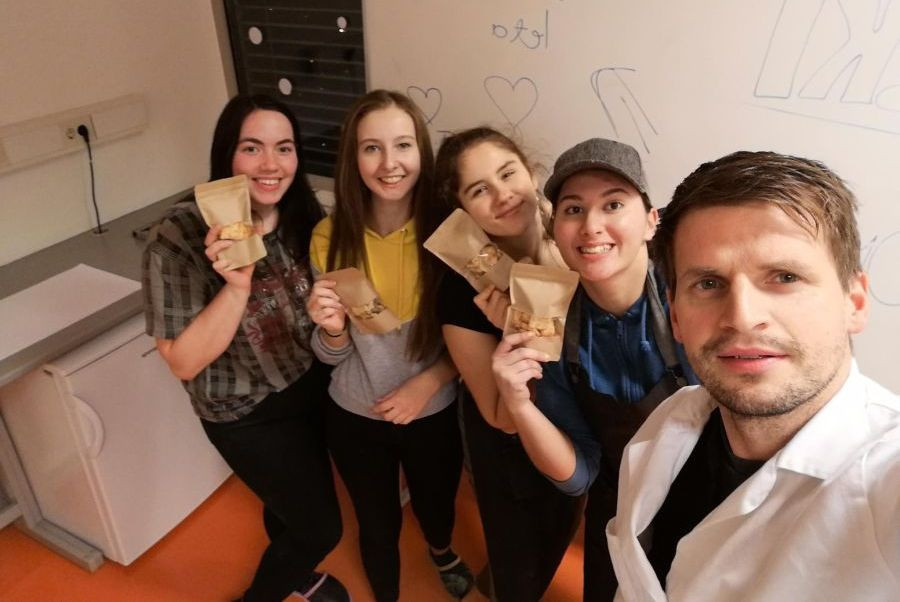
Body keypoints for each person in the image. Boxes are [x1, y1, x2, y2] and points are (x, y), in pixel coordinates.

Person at [606, 150, 900, 600]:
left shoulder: (884, 477)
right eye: (708, 283)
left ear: (854, 301)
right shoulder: (667, 423)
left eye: (784, 276)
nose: (742, 318)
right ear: (676, 318)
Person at [142, 94, 348, 602]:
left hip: (309, 383)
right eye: (252, 148)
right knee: (322, 529)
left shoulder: (304, 214)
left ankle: (298, 576)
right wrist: (236, 285)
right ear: (226, 156)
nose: (271, 165)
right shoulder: (180, 235)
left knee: (290, 502)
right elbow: (184, 360)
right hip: (243, 410)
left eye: (285, 148)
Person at [491, 138, 697, 600]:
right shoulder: (552, 326)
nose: (591, 226)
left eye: (613, 204)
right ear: (555, 230)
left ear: (650, 221)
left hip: (707, 500)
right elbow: (577, 475)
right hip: (617, 505)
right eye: (573, 209)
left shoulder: (695, 296)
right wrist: (520, 404)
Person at [305, 89, 473, 602]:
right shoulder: (327, 237)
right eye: (371, 148)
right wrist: (331, 330)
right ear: (353, 159)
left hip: (433, 409)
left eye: (402, 145)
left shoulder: (455, 234)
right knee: (375, 523)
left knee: (436, 505)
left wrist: (428, 382)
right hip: (355, 414)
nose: (389, 163)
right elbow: (331, 355)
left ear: (422, 151)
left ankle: (441, 549)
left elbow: (478, 335)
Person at [423, 127, 584, 601]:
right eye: (479, 190)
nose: (502, 195)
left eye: (507, 173)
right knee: (522, 558)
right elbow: (498, 415)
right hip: (509, 454)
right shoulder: (464, 291)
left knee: (559, 529)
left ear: (532, 172)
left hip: (580, 426)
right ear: (464, 211)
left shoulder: (578, 235)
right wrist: (516, 341)